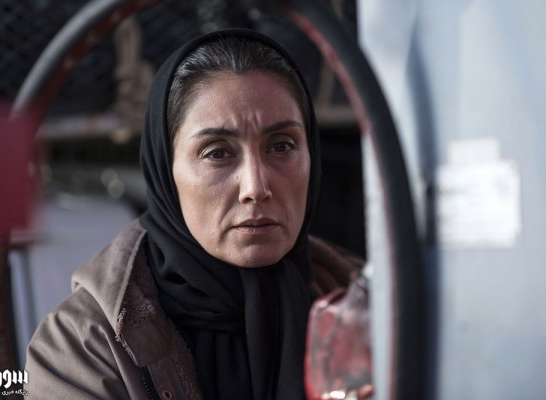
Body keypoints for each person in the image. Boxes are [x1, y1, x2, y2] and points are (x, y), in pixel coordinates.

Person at [24, 28, 366, 399]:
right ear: (165, 170)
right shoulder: (84, 345)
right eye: (217, 153)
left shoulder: (370, 306)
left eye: (282, 146)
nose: (256, 187)